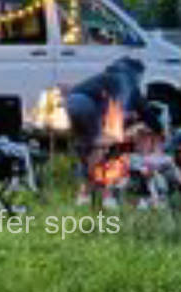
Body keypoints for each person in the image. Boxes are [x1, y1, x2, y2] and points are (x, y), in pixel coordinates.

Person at [65, 56, 164, 207]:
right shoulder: (126, 80)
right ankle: (102, 195)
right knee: (102, 149)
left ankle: (86, 191)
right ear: (135, 72)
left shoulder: (106, 78)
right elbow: (144, 110)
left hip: (71, 104)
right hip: (86, 106)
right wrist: (159, 129)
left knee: (87, 148)